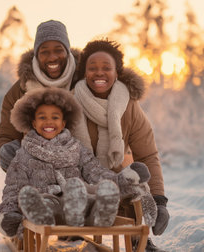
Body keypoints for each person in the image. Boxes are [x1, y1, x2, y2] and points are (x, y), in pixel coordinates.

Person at [0, 87, 157, 238]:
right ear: (33, 123)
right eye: (42, 117)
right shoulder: (23, 155)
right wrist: (8, 213)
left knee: (86, 195)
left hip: (78, 200)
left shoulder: (76, 149)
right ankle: (42, 216)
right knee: (44, 201)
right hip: (49, 201)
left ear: (64, 123)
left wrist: (125, 179)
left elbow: (96, 173)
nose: (49, 122)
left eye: (55, 117)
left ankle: (100, 213)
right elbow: (13, 188)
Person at [71, 38, 169, 251]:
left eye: (107, 68)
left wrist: (159, 200)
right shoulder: (70, 102)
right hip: (79, 178)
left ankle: (137, 239)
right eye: (92, 68)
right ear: (84, 72)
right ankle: (71, 229)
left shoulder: (129, 107)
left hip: (116, 180)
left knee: (133, 179)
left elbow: (147, 154)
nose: (99, 73)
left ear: (117, 72)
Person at [0, 20, 81, 172]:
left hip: (83, 170)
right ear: (36, 55)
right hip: (38, 174)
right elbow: (5, 135)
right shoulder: (20, 91)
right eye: (44, 51)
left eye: (58, 50)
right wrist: (5, 152)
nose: (52, 57)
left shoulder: (84, 81)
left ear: (67, 51)